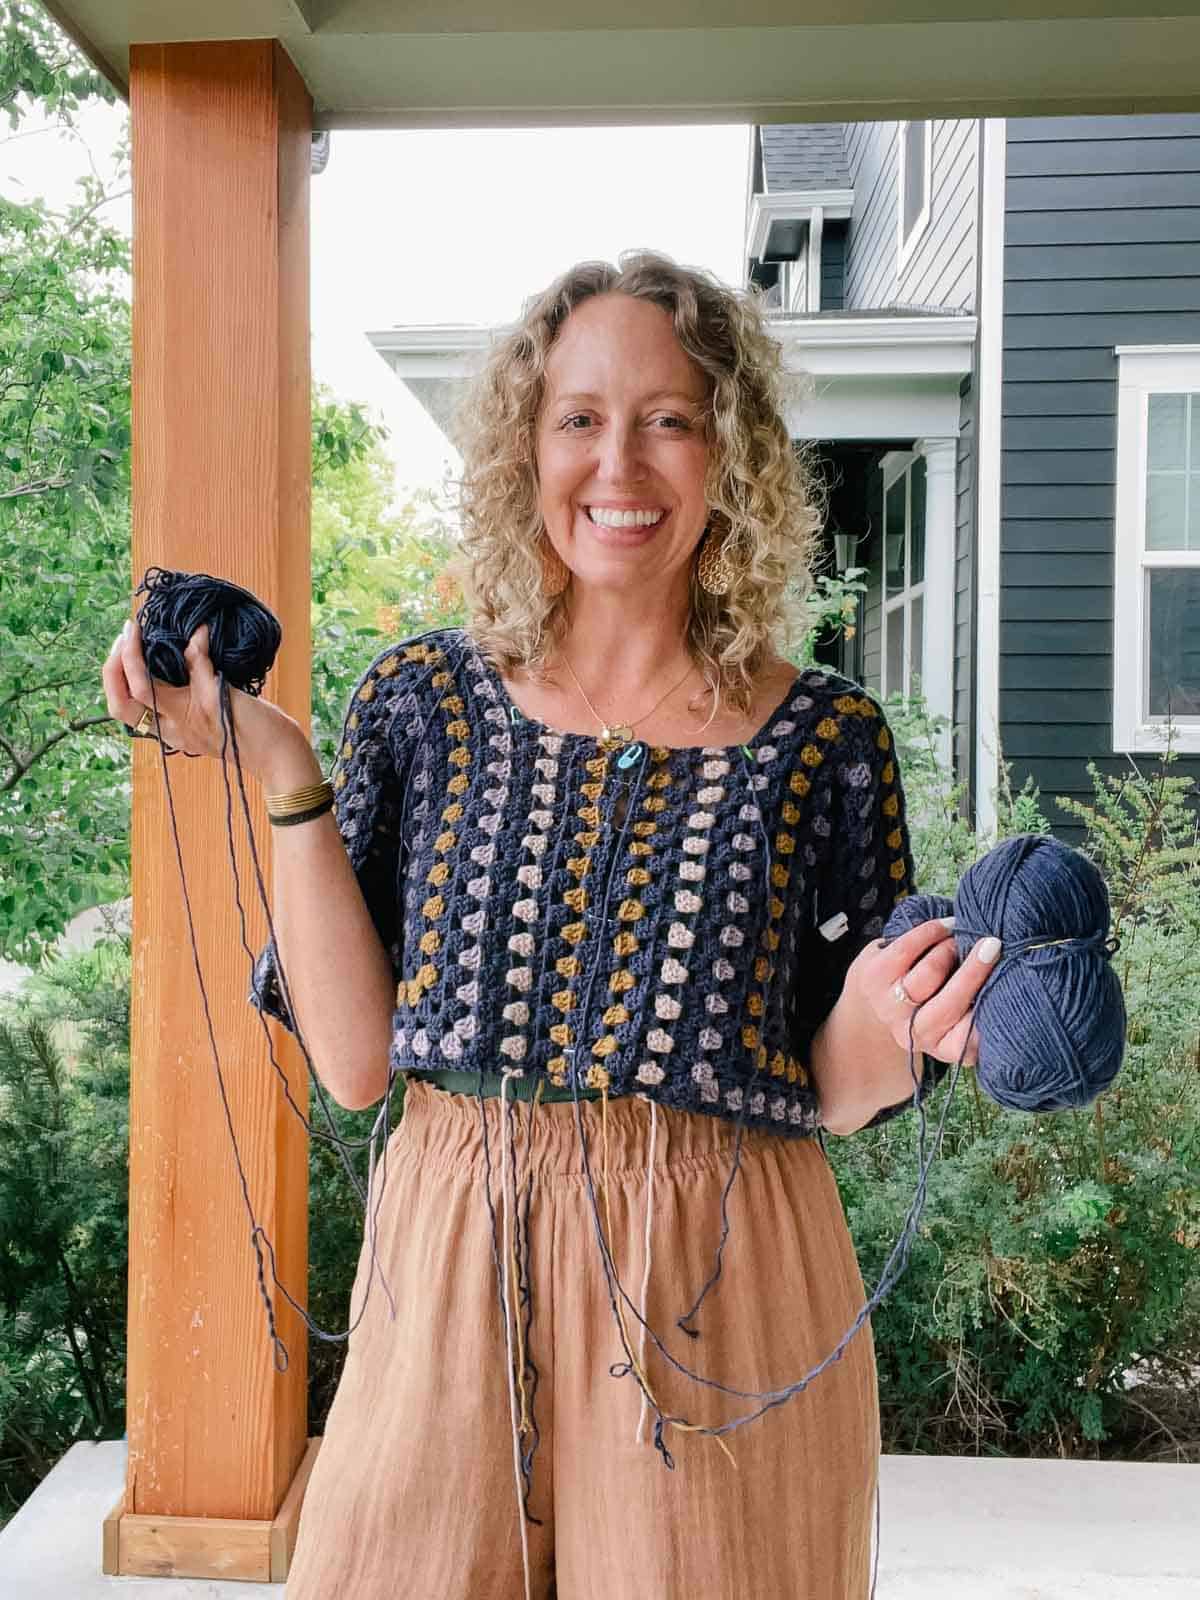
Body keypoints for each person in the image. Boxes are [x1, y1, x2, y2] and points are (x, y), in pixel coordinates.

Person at [102, 251, 999, 1600]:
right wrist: (281, 767)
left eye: (669, 418)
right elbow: (354, 1067)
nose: (619, 465)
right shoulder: (422, 701)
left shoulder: (828, 739)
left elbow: (833, 1084)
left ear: (731, 457)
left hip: (721, 1271)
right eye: (580, 417)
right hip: (451, 1233)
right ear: (528, 450)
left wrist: (911, 1021)